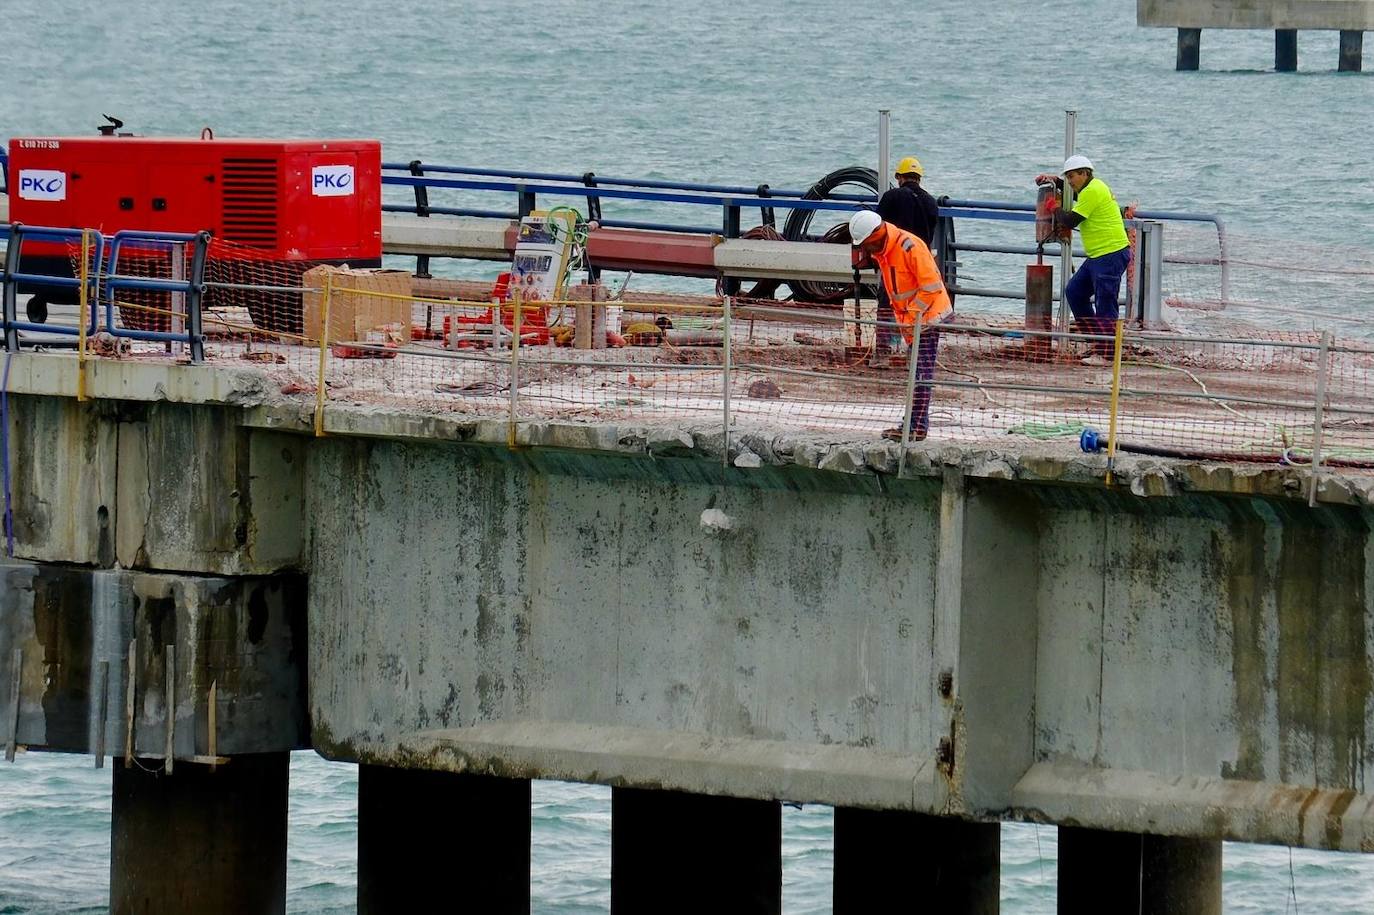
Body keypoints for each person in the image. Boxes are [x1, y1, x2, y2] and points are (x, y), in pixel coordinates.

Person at [849, 210, 952, 442]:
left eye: (867, 243)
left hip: (928, 317)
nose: (866, 249)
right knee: (917, 373)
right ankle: (914, 424)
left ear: (877, 232)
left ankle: (915, 428)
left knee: (921, 374)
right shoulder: (884, 251)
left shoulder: (909, 246)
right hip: (913, 320)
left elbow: (932, 286)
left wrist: (911, 316)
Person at [1036, 155, 1130, 354]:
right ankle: (1098, 343)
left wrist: (1054, 208)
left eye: (1072, 177)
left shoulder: (1093, 190)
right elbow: (1078, 197)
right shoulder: (1090, 189)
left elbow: (1070, 220)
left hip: (1110, 253)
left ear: (1085, 173)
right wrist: (1055, 180)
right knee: (1075, 292)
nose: (1070, 182)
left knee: (1105, 302)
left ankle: (1107, 352)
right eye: (1067, 177)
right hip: (1098, 255)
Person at [871, 156, 941, 358]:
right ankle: (914, 353)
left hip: (894, 263)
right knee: (917, 310)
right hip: (920, 264)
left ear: (900, 177)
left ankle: (882, 354)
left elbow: (878, 229)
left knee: (887, 306)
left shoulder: (891, 197)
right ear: (919, 178)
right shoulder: (930, 202)